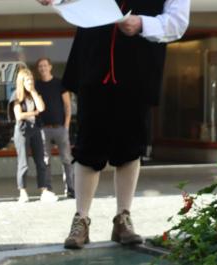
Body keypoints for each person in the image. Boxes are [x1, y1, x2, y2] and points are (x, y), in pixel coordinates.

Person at [35, 0, 189, 249]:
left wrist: (142, 23)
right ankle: (81, 219)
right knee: (87, 147)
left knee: (131, 145)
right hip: (93, 62)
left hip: (138, 68)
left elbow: (178, 23)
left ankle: (123, 218)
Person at [12, 68, 55, 204]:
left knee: (41, 161)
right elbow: (18, 115)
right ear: (21, 81)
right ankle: (22, 192)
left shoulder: (34, 94)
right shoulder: (16, 96)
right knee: (23, 162)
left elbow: (42, 108)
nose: (30, 82)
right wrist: (34, 113)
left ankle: (44, 190)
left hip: (35, 129)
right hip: (22, 131)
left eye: (31, 79)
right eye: (27, 80)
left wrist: (33, 92)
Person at [34, 57, 74, 198]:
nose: (43, 68)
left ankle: (70, 188)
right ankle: (49, 189)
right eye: (40, 66)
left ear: (50, 67)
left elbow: (68, 105)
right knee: (46, 161)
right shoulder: (36, 85)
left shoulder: (59, 83)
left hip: (60, 128)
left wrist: (67, 125)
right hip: (43, 128)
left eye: (45, 65)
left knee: (66, 159)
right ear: (38, 69)